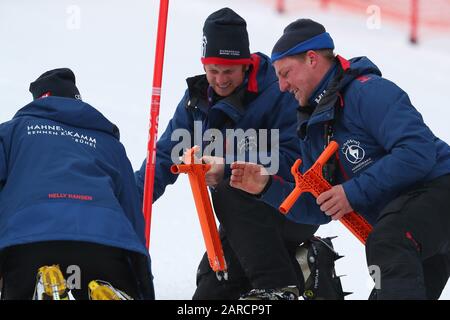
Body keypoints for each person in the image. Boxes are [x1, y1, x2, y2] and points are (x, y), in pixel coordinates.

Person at [230, 18, 450, 300]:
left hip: (438, 192)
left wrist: (352, 192)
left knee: (387, 241)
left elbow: (417, 152)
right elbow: (320, 206)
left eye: (285, 73)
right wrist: (266, 187)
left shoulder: (368, 91)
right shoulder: (314, 128)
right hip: (411, 227)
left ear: (311, 59)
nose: (282, 86)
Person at [136, 8, 344, 300]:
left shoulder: (279, 90)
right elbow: (164, 157)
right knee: (209, 294)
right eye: (213, 71)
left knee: (229, 185)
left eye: (229, 71)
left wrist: (228, 165)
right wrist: (128, 201)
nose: (220, 80)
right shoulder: (196, 102)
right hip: (246, 225)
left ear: (246, 65)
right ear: (203, 65)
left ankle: (279, 288)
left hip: (293, 206)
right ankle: (303, 267)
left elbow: (296, 160)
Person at [0, 68, 154, 300]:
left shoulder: (12, 132)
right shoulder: (109, 143)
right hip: (105, 241)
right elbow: (131, 211)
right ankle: (105, 289)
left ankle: (49, 286)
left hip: (29, 239)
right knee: (106, 281)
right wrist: (140, 280)